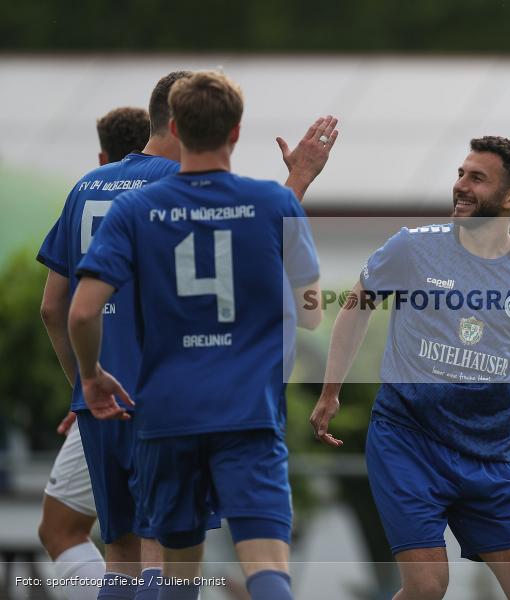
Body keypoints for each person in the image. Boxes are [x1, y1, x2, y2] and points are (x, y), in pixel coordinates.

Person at [68, 71, 332, 600]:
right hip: (247, 412)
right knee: (266, 568)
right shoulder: (274, 203)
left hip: (164, 413)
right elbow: (310, 314)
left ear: (171, 125)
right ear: (235, 132)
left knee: (169, 573)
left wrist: (92, 377)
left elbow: (79, 313)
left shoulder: (134, 209)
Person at [310, 136, 510, 600]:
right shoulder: (412, 247)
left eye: (477, 178)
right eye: (461, 174)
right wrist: (331, 390)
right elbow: (357, 304)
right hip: (408, 440)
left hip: (488, 452)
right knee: (426, 587)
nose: (461, 186)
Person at [37, 104, 151, 600]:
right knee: (163, 547)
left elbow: (52, 308)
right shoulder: (178, 185)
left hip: (98, 389)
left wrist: (83, 386)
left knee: (94, 541)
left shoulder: (87, 187)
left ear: (103, 154)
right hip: (164, 390)